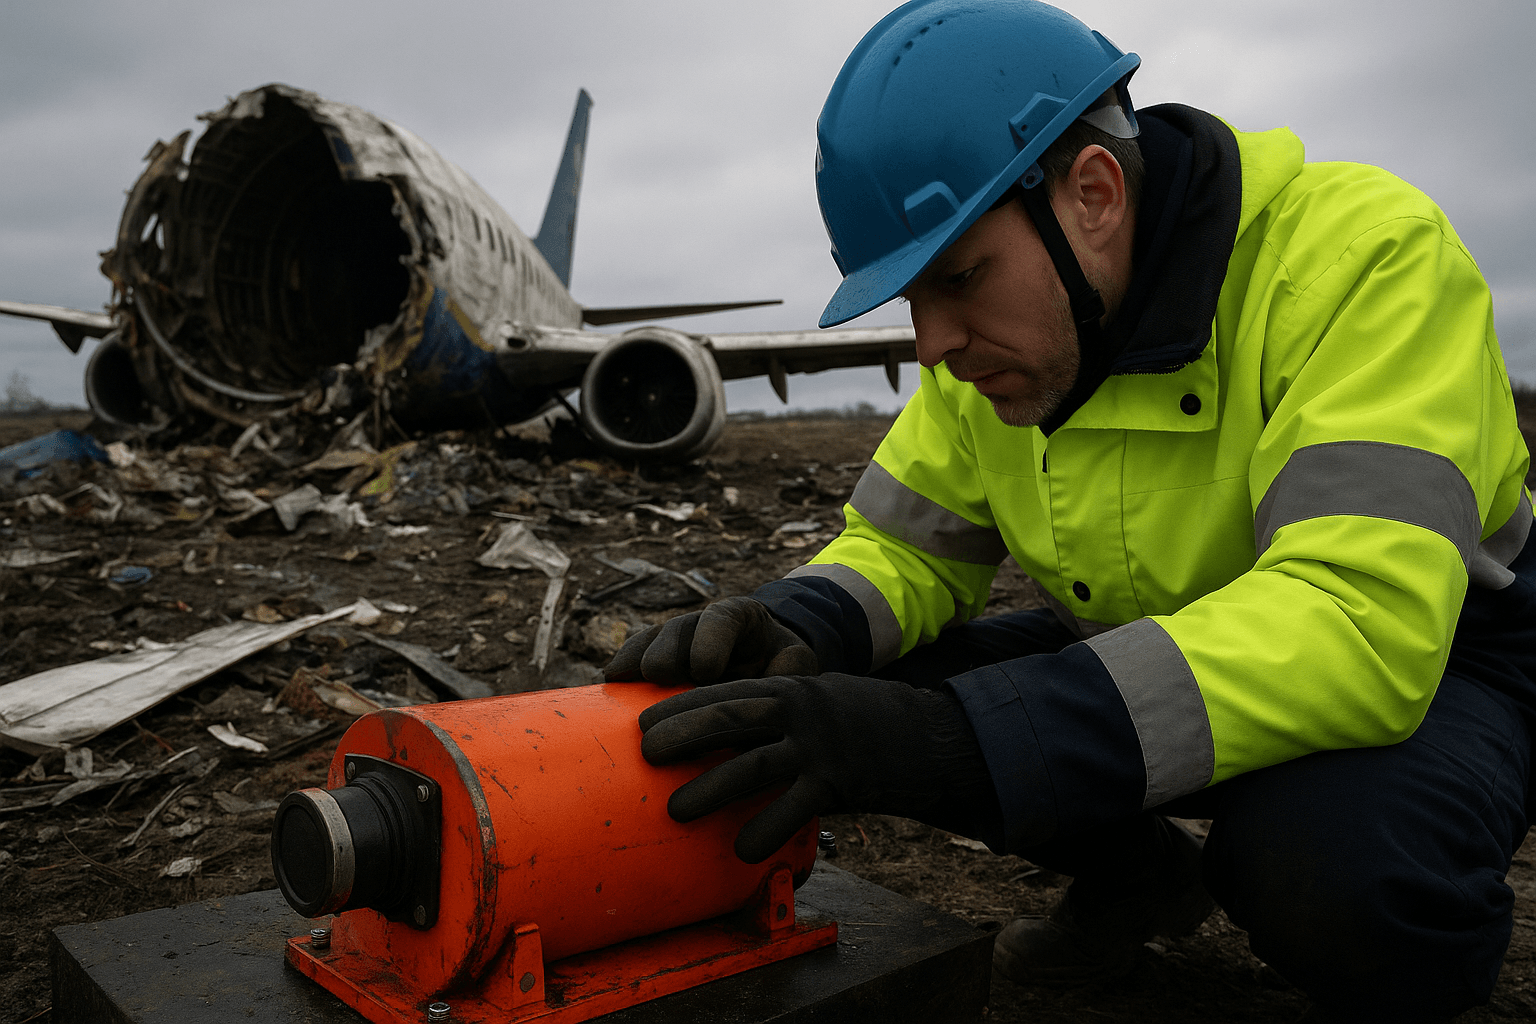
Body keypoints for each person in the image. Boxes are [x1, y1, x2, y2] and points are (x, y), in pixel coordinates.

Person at [606, 1, 1535, 1019]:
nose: (931, 347)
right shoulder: (1005, 345)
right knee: (852, 683)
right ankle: (1143, 879)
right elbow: (905, 549)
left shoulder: (1365, 259)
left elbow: (1357, 619)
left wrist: (960, 741)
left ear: (1091, 193)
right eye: (914, 302)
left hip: (1441, 662)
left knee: (1329, 868)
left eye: (957, 280)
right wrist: (798, 620)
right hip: (1156, 643)